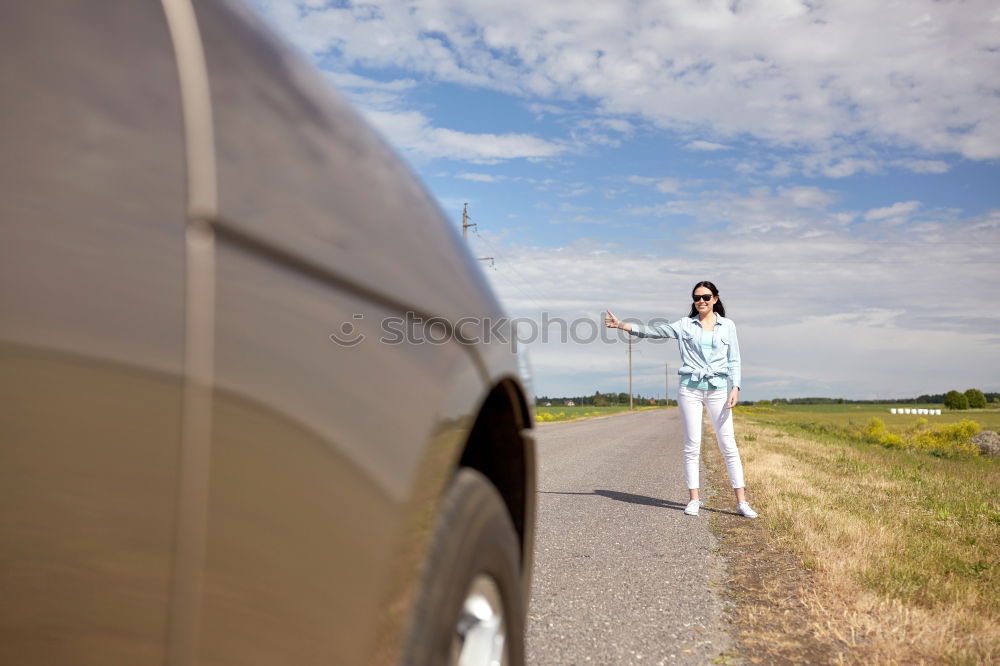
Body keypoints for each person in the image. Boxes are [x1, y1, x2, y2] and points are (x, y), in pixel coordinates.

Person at [604, 281, 758, 518]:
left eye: (706, 297)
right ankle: (694, 499)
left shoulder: (728, 326)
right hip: (690, 389)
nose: (701, 301)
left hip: (718, 388)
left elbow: (734, 359)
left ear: (715, 299)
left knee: (728, 444)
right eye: (697, 298)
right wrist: (622, 325)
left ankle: (742, 502)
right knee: (692, 444)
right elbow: (655, 331)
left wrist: (735, 386)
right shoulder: (685, 325)